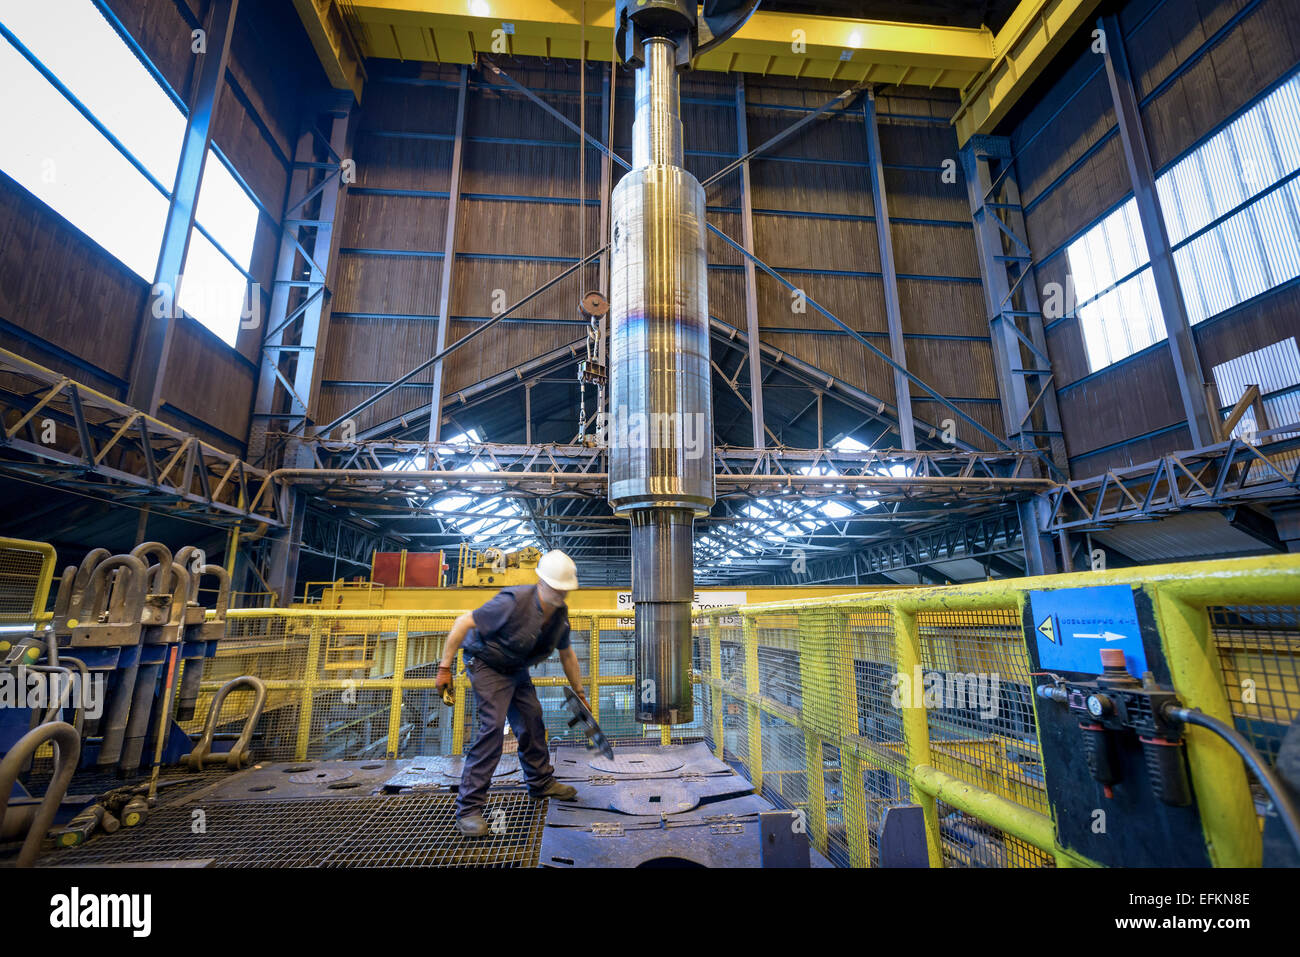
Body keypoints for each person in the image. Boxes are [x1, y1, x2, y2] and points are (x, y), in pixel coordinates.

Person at [436, 549, 589, 837]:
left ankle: (540, 783)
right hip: (486, 663)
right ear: (542, 582)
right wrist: (445, 668)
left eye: (565, 590)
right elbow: (463, 622)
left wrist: (580, 692)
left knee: (532, 720)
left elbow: (567, 654)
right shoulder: (513, 601)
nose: (561, 594)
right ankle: (469, 809)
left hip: (516, 668)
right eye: (557, 588)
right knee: (492, 728)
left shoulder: (559, 615)